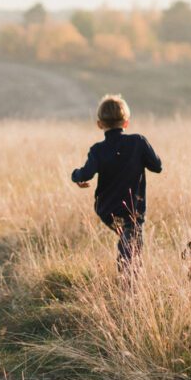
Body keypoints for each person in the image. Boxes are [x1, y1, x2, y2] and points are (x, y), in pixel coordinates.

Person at [71, 94, 162, 280]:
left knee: (127, 239)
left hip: (106, 209)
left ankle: (127, 276)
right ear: (126, 123)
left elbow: (86, 174)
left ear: (99, 124)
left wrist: (75, 176)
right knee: (132, 245)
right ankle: (130, 285)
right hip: (132, 209)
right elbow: (157, 166)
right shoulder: (138, 142)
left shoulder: (97, 150)